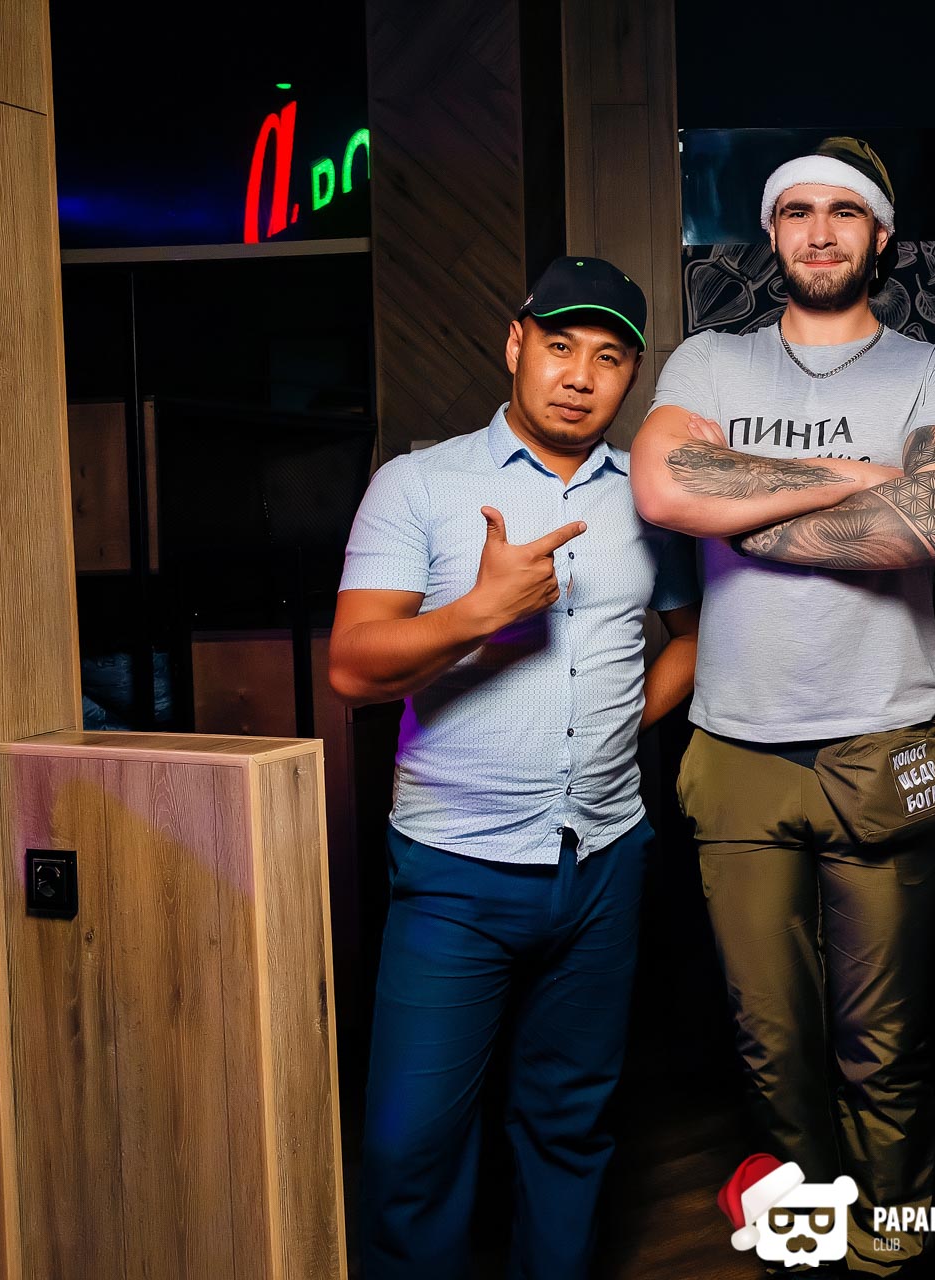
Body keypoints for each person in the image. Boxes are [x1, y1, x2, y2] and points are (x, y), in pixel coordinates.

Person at [631, 136, 935, 1276]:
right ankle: (816, 1228)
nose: (821, 231)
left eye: (845, 212)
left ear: (881, 235)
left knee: (882, 1040)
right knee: (770, 1039)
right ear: (772, 231)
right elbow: (662, 486)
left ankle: (896, 1240)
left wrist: (741, 506)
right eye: (799, 211)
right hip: (736, 747)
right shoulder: (710, 361)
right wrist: (863, 480)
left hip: (888, 740)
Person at [330, 258, 701, 1280]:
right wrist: (478, 614)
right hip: (455, 872)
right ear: (515, 344)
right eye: (560, 346)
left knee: (570, 1126)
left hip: (604, 862)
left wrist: (623, 721)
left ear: (632, 376)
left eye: (609, 357)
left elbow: (691, 636)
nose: (580, 375)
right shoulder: (420, 483)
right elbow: (353, 667)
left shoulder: (652, 501)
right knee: (409, 1148)